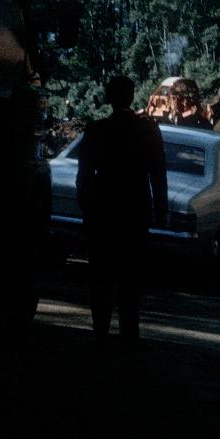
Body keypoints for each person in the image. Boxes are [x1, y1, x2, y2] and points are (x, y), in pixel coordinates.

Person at [77, 75, 168, 347]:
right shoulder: (149, 129)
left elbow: (83, 175)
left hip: (102, 213)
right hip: (135, 213)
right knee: (131, 282)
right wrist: (160, 209)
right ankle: (129, 338)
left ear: (109, 97)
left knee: (101, 280)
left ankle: (100, 335)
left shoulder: (96, 129)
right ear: (131, 96)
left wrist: (87, 207)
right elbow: (158, 174)